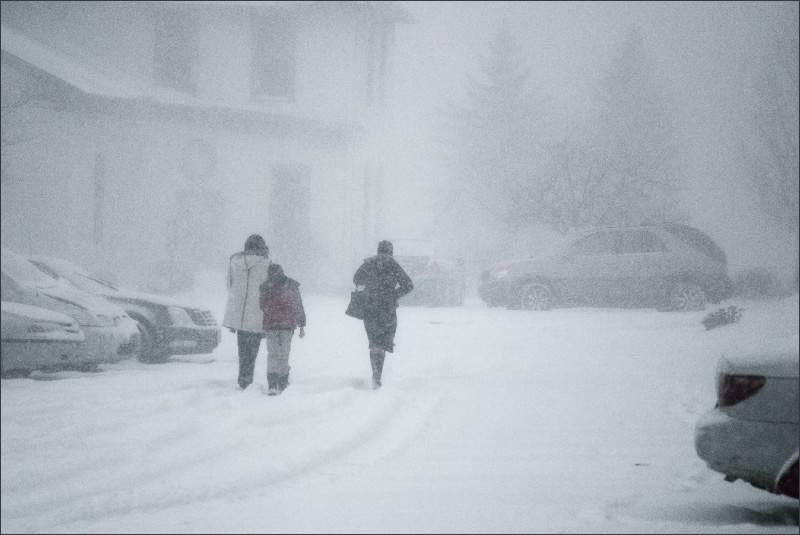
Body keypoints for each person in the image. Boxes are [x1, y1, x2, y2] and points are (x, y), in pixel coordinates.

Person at [353, 240, 413, 389]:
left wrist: (370, 287)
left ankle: (375, 373)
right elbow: (409, 285)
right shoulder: (393, 264)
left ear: (378, 250)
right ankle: (377, 376)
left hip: (370, 308)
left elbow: (356, 279)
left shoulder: (369, 263)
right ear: (390, 251)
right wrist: (394, 294)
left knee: (374, 343)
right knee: (383, 342)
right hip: (387, 309)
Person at [222, 234, 271, 389]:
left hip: (239, 314)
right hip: (257, 313)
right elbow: (270, 290)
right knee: (252, 350)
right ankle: (247, 380)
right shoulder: (266, 264)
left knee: (242, 349)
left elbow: (229, 285)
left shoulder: (234, 262)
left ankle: (243, 378)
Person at [260, 263, 306, 395]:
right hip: (287, 325)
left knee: (272, 354)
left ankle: (272, 383)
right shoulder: (291, 285)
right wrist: (301, 324)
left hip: (271, 325)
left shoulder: (265, 287)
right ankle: (282, 382)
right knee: (284, 354)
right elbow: (298, 305)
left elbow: (262, 306)